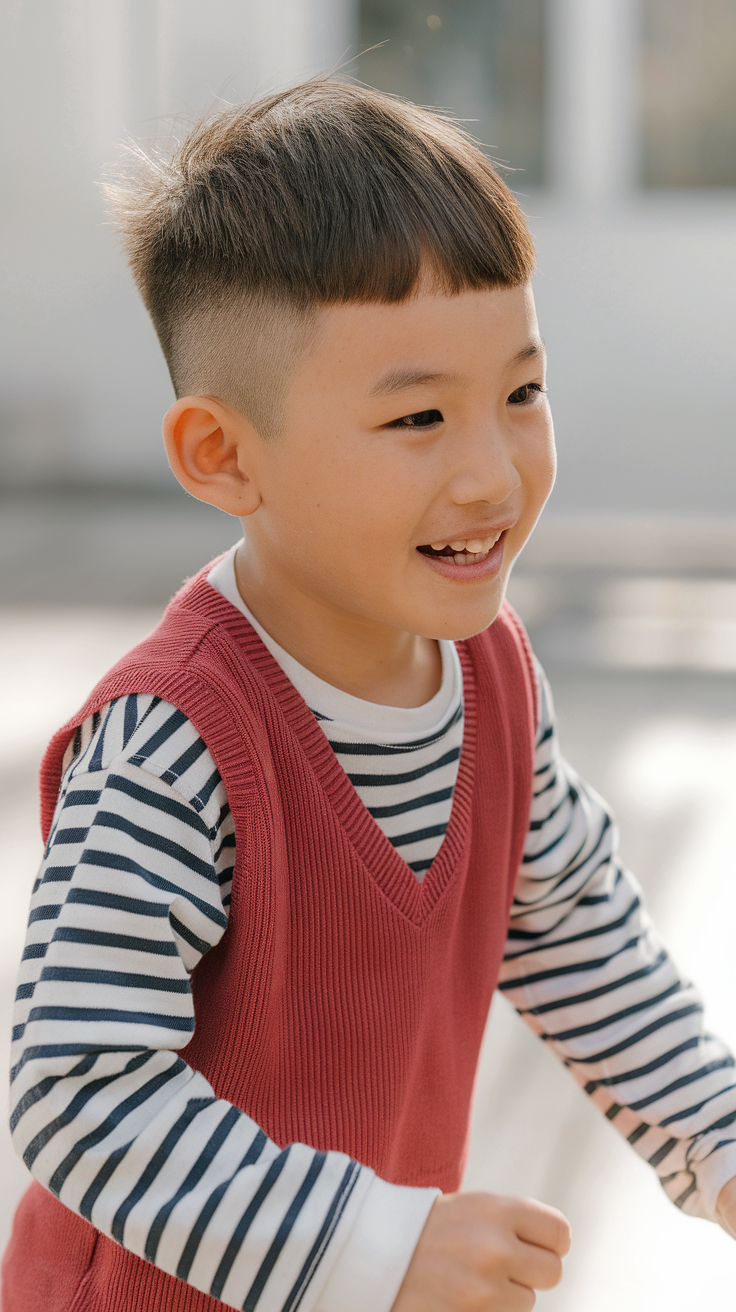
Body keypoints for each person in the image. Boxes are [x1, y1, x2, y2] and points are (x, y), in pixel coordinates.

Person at [3, 79, 736, 1312]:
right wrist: (375, 1245)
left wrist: (717, 1140)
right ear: (224, 456)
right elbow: (78, 1086)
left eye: (520, 392)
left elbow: (575, 934)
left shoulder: (494, 677)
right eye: (416, 417)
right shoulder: (178, 738)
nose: (491, 470)